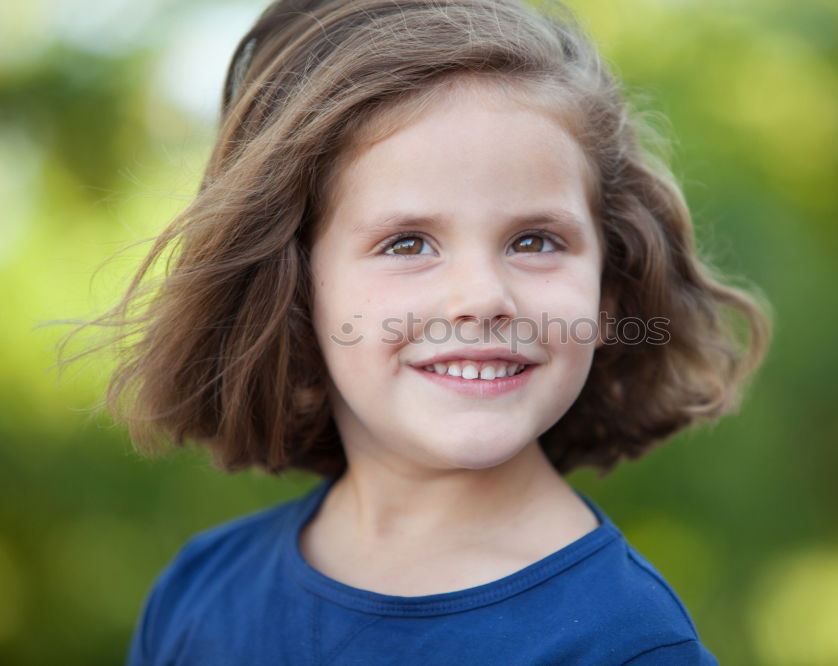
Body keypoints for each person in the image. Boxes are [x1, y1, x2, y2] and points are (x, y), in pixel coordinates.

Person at [86, 0, 771, 663]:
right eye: (408, 244)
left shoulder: (629, 645)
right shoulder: (201, 595)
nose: (482, 298)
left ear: (610, 292)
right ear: (292, 291)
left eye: (534, 240)